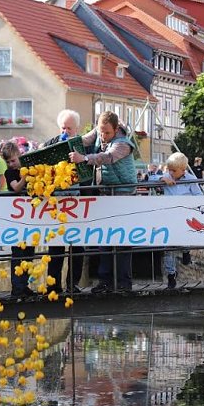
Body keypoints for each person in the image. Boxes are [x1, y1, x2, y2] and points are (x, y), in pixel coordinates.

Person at [69, 111, 136, 293]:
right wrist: (65, 141)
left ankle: (123, 282)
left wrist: (84, 159)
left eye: (107, 132)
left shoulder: (123, 143)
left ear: (115, 129)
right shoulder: (99, 133)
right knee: (104, 239)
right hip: (105, 193)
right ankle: (105, 281)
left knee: (121, 240)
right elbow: (83, 140)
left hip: (123, 195)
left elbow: (107, 157)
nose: (103, 135)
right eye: (101, 131)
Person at [44, 109, 86, 295]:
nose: (66, 131)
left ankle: (72, 284)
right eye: (63, 127)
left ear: (76, 129)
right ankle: (53, 285)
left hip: (76, 202)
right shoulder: (50, 144)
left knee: (77, 245)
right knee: (55, 246)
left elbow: (88, 169)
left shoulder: (82, 145)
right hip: (56, 202)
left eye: (70, 128)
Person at [160, 153, 203, 288]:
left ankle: (185, 250)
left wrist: (192, 204)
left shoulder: (190, 179)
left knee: (184, 236)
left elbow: (199, 195)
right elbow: (149, 178)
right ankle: (171, 275)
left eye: (174, 170)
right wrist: (162, 178)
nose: (171, 173)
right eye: (169, 170)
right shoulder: (167, 177)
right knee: (168, 247)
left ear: (183, 170)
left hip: (184, 215)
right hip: (170, 216)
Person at [1, 142, 35, 299]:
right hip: (17, 217)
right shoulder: (10, 173)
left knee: (29, 252)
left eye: (13, 160)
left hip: (31, 216)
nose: (10, 164)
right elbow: (16, 188)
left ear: (19, 156)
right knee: (17, 253)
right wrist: (24, 177)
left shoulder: (27, 168)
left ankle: (25, 283)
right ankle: (17, 287)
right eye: (8, 162)